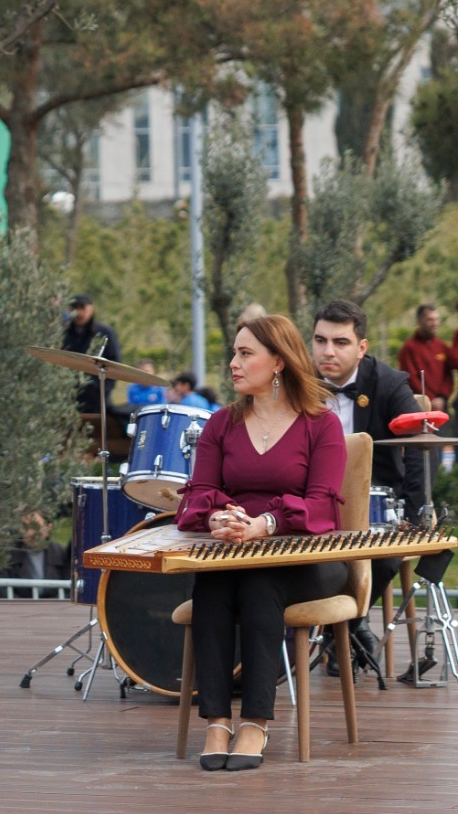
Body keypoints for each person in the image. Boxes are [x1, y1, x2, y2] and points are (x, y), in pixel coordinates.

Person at [178, 314, 346, 772]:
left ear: (278, 361)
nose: (233, 363)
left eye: (245, 353)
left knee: (259, 586)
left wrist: (267, 524)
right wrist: (217, 517)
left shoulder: (321, 425)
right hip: (234, 553)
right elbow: (197, 494)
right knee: (211, 585)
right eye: (234, 353)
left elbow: (323, 507)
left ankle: (255, 720)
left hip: (306, 560)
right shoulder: (221, 424)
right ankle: (216, 721)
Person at [311, 299, 428, 675]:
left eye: (340, 342)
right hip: (311, 503)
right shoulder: (298, 383)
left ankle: (340, 629)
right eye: (320, 340)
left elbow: (417, 449)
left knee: (386, 553)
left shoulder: (389, 383)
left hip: (373, 506)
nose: (328, 351)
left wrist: (413, 515)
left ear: (361, 347)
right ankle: (348, 628)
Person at [61, 294, 121, 414]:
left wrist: (104, 389)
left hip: (98, 398)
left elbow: (115, 362)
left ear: (91, 309)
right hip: (68, 397)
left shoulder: (105, 332)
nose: (79, 312)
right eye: (74, 308)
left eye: (82, 308)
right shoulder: (64, 333)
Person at [398, 304, 452, 413]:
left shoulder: (442, 346)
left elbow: (448, 376)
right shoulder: (409, 348)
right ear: (419, 321)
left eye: (436, 319)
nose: (435, 323)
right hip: (419, 408)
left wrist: (442, 398)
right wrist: (428, 399)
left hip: (441, 408)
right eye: (430, 320)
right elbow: (410, 377)